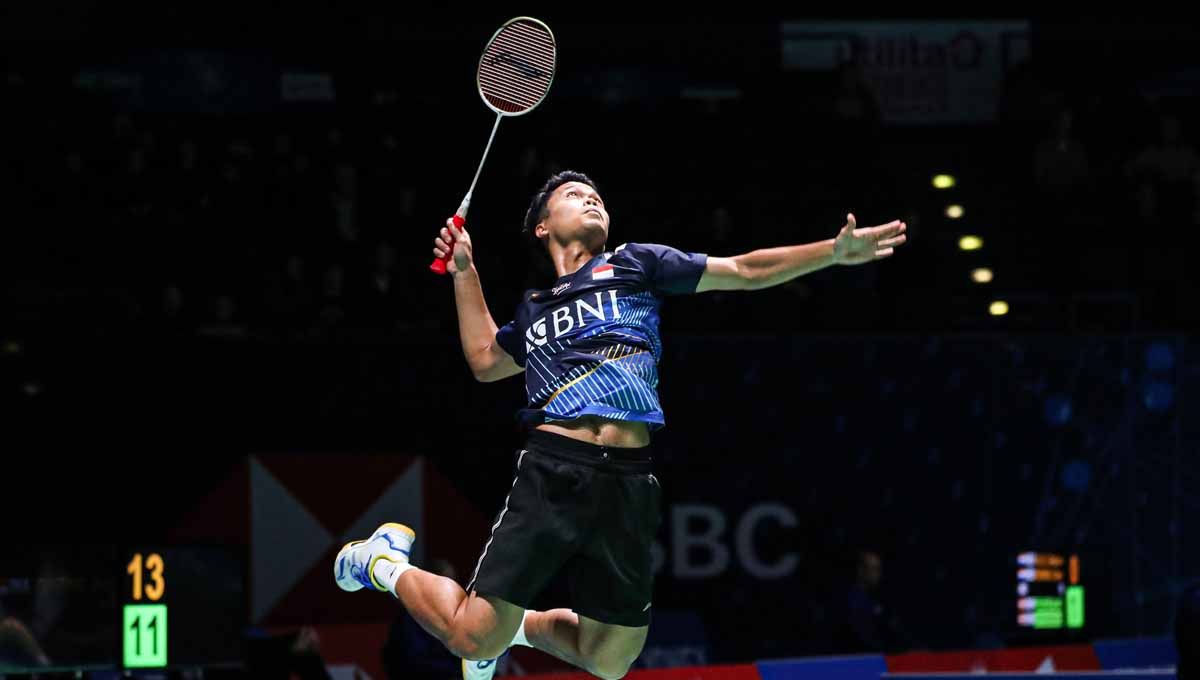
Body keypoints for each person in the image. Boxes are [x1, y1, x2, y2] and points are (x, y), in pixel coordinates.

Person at [334, 171, 907, 680]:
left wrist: (831, 253)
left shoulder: (635, 263)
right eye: (574, 195)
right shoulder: (536, 307)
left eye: (597, 197)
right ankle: (383, 562)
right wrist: (465, 269)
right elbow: (486, 360)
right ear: (541, 227)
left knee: (610, 660)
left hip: (630, 480)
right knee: (468, 635)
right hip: (555, 471)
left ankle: (515, 628)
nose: (592, 200)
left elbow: (743, 270)